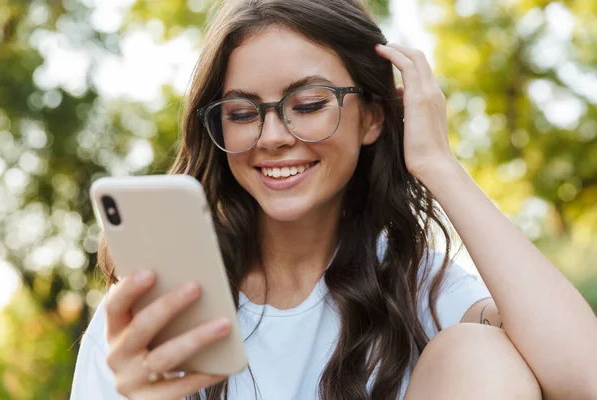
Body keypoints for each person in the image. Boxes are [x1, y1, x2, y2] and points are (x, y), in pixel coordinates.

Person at [70, 0, 597, 399]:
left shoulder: (420, 289)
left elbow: (585, 375)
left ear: (372, 116)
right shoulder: (156, 312)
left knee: (478, 351)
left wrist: (441, 166)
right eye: (242, 111)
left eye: (309, 103)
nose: (273, 135)